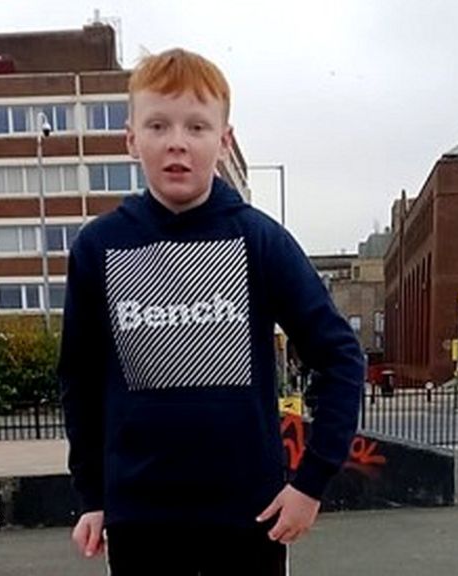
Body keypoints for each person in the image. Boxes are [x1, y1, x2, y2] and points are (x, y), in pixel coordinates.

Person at [58, 48, 364, 575]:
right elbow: (79, 380)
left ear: (223, 141)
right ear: (132, 138)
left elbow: (339, 357)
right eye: (158, 124)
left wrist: (311, 483)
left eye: (197, 127)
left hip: (248, 520)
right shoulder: (98, 248)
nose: (177, 141)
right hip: (140, 521)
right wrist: (91, 493)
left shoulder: (259, 240)